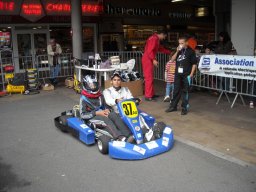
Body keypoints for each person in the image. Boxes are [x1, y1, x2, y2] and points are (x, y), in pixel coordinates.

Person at [79, 75, 131, 141]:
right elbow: (82, 115)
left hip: (102, 113)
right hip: (91, 117)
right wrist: (96, 113)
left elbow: (106, 106)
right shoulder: (83, 99)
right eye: (91, 85)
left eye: (94, 85)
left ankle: (128, 134)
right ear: (86, 86)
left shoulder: (100, 96)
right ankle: (119, 137)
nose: (93, 87)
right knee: (105, 120)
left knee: (113, 115)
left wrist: (107, 110)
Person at [165, 36, 197, 115]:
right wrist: (176, 51)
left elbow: (194, 64)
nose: (180, 45)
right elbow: (172, 59)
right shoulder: (179, 50)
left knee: (185, 91)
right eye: (179, 43)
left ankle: (184, 107)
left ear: (186, 43)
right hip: (178, 74)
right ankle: (173, 106)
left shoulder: (191, 51)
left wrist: (191, 74)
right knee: (176, 90)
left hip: (186, 74)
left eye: (182, 43)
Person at [142, 30, 171, 101]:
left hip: (148, 58)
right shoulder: (154, 39)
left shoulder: (155, 39)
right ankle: (148, 96)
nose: (164, 38)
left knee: (150, 78)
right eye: (164, 36)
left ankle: (151, 94)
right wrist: (153, 59)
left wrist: (169, 52)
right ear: (161, 34)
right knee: (149, 78)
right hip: (148, 59)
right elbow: (150, 50)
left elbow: (159, 48)